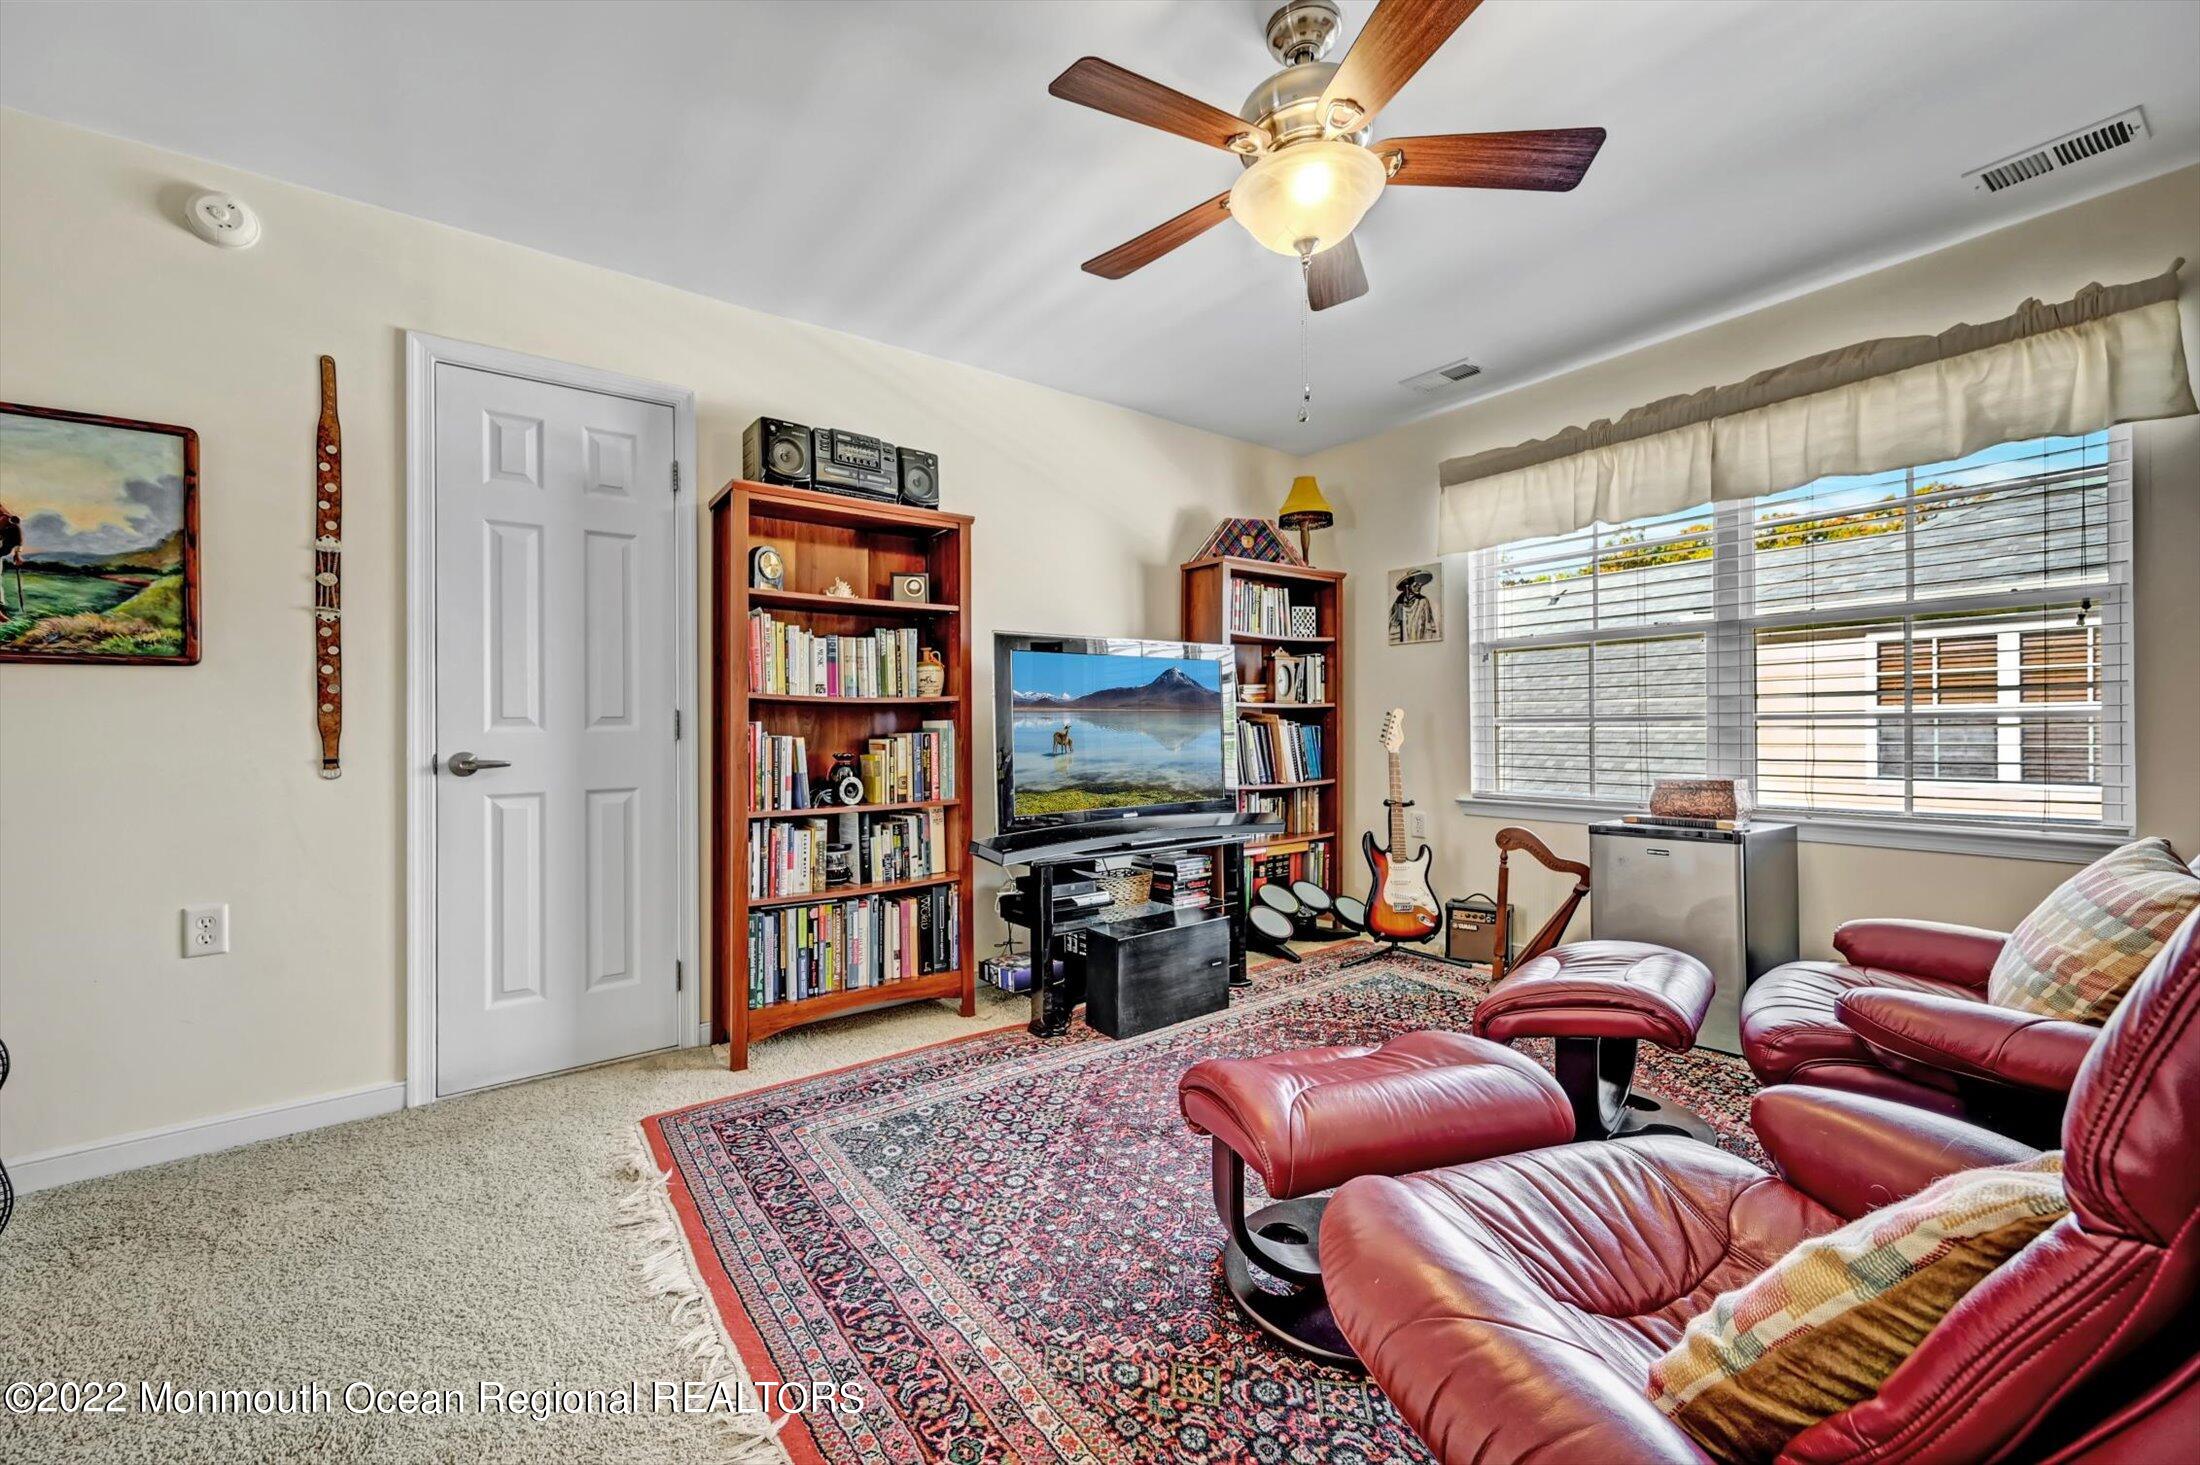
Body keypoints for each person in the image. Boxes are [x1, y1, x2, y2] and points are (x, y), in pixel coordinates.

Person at [1388, 568, 1437, 644]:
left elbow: (1429, 624)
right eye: (1416, 584)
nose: (1419, 586)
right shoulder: (1399, 603)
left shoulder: (1423, 601)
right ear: (1407, 585)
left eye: (1420, 584)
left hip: (1420, 642)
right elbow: (1396, 625)